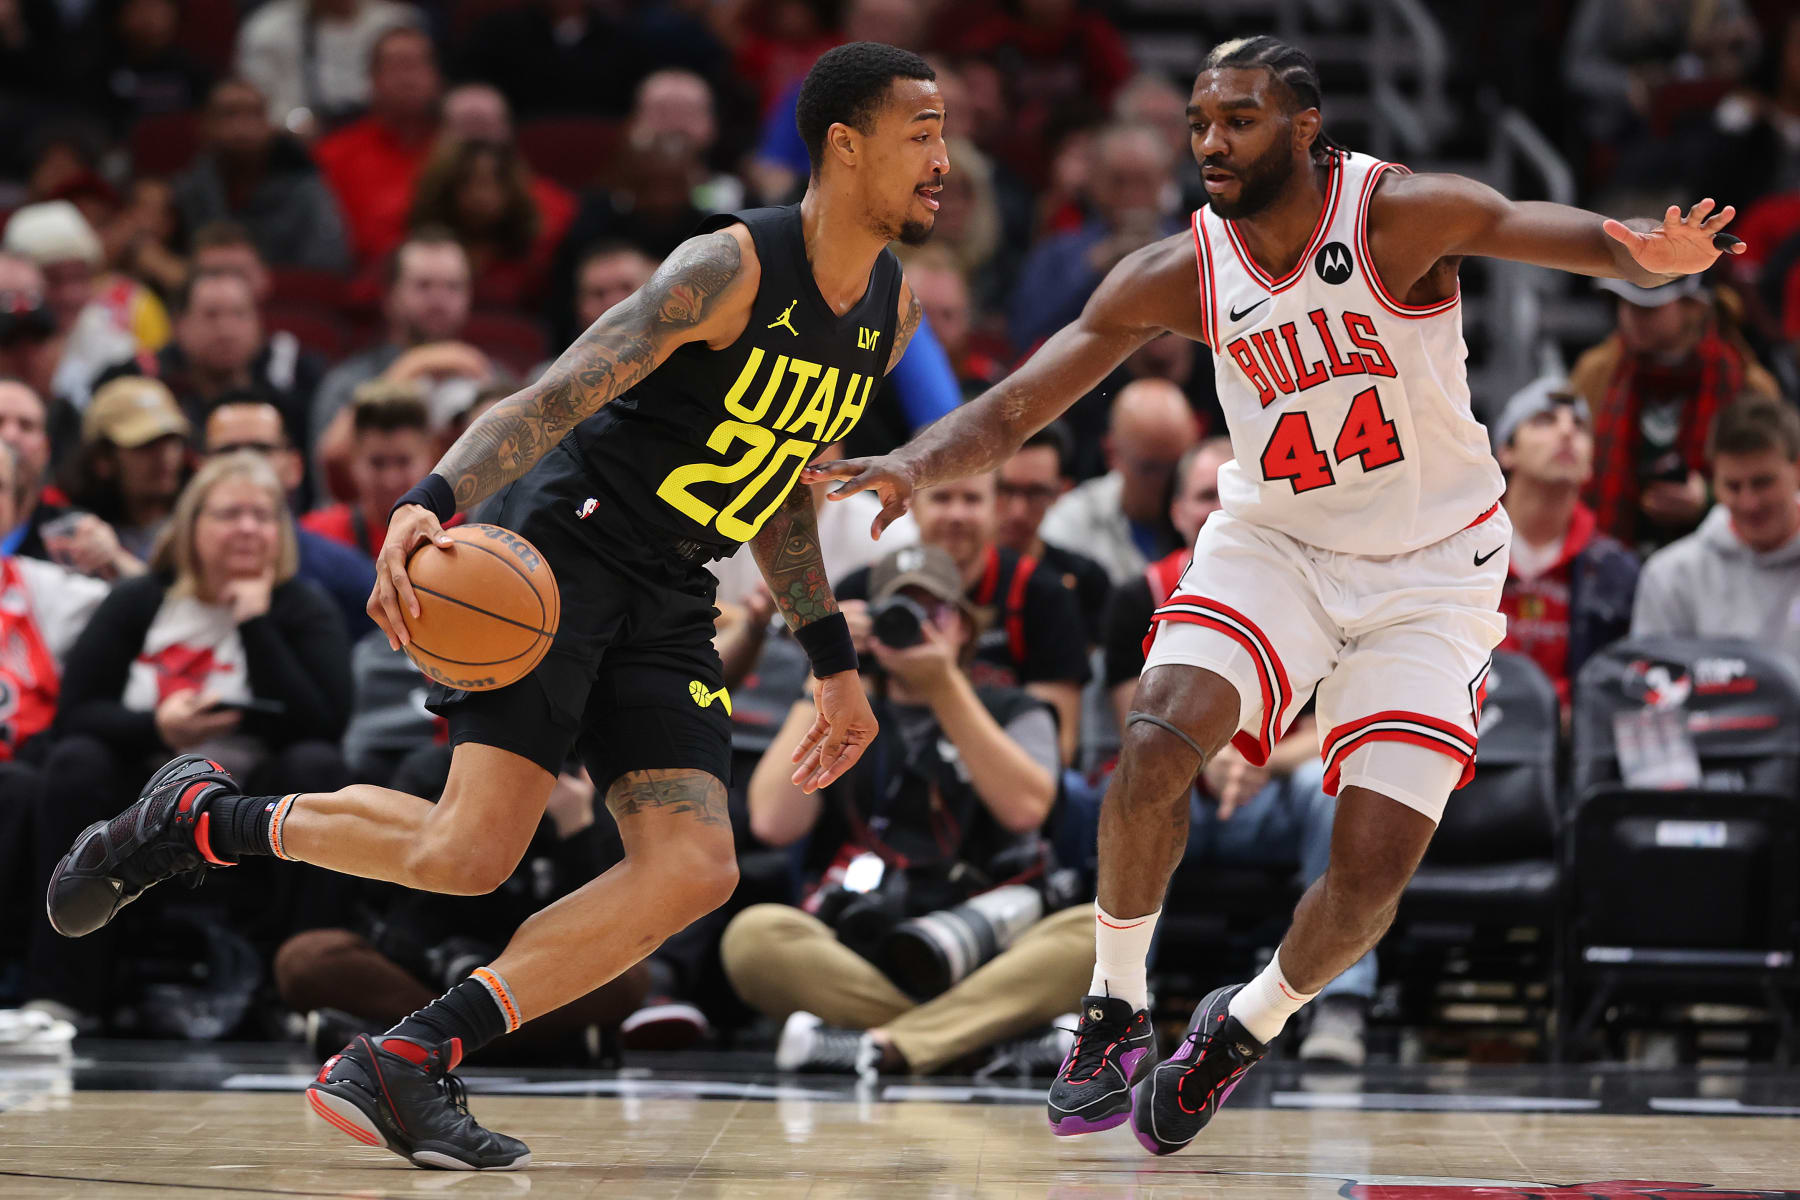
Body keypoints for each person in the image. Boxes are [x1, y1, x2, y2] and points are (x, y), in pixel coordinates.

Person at [808, 35, 1740, 1154]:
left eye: (1238, 120)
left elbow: (1547, 231)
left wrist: (1645, 256)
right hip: (1278, 543)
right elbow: (1018, 404)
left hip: (1433, 571)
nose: (1211, 141)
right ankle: (1113, 1008)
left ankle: (1245, 1025)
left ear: (1304, 128)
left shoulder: (1399, 218)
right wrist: (914, 463)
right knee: (1155, 737)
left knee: (1372, 869)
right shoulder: (1180, 269)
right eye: (1199, 122)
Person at [47, 41, 946, 1170]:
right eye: (921, 134)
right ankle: (199, 821)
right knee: (469, 852)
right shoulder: (729, 266)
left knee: (694, 866)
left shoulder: (893, 314)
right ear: (845, 146)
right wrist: (427, 501)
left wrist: (831, 661)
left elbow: (774, 489)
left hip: (673, 586)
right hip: (562, 553)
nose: (942, 161)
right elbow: (555, 394)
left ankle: (410, 1056)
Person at [722, 544, 1085, 1078]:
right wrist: (827, 672)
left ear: (964, 627)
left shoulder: (1015, 708)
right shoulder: (842, 713)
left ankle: (880, 1044)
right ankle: (981, 1041)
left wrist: (945, 686)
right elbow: (773, 823)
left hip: (991, 948)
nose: (914, 625)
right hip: (865, 949)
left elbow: (1026, 811)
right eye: (899, 611)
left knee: (1090, 935)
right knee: (753, 936)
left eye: (932, 612)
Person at [27, 452, 353, 1029]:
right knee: (75, 763)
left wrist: (254, 624)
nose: (248, 528)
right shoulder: (140, 600)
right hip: (141, 787)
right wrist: (157, 726)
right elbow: (77, 713)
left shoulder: (302, 607)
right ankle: (65, 995)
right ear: (190, 525)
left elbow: (325, 722)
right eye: (230, 514)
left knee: (319, 767)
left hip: (253, 797)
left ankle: (305, 994)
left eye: (263, 515)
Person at [835, 470, 1092, 763]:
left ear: (998, 508)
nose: (956, 514)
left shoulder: (1041, 594)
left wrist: (943, 683)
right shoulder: (862, 590)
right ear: (910, 506)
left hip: (993, 776)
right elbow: (821, 742)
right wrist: (833, 658)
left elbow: (1056, 752)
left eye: (972, 499)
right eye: (941, 498)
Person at [1573, 273, 1779, 556]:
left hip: (1715, 557)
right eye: (1622, 301)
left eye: (1648, 306)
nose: (1631, 316)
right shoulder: (1596, 373)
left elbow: (1776, 482)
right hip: (1609, 556)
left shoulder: (1747, 384)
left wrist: (1708, 498)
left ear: (1692, 306)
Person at [1492, 376, 1639, 716]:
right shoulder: (1458, 553)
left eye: (1580, 426)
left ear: (1590, 464)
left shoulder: (1618, 572)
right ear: (1506, 451)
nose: (1567, 432)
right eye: (1544, 420)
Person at [1631, 395, 1800, 663]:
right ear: (1714, 480)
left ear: (1797, 470)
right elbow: (1652, 679)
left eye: (1763, 483)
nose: (1749, 503)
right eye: (1733, 486)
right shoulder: (1671, 577)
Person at [309, 227, 471, 485]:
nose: (439, 299)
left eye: (453, 287)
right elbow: (328, 476)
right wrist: (410, 368)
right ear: (390, 296)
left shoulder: (490, 376)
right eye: (423, 286)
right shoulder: (347, 382)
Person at [203, 399, 376, 637]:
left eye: (260, 450)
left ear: (294, 467)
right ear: (201, 468)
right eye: (228, 451)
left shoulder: (347, 576)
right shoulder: (166, 572)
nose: (244, 462)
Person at [173, 77, 352, 273]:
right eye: (230, 114)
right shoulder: (187, 191)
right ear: (205, 125)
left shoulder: (306, 189)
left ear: (270, 124)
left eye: (254, 114)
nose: (242, 127)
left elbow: (328, 268)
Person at [1039, 378, 1199, 585]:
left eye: (1177, 465)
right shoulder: (1071, 524)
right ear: (1112, 454)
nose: (1167, 480)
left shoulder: (1213, 513)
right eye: (1150, 468)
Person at [313, 25, 444, 265]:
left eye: (416, 65)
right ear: (371, 79)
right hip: (361, 279)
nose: (407, 79)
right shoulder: (333, 154)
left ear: (436, 76)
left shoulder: (457, 150)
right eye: (395, 66)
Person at [995, 423, 1111, 643]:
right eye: (1005, 489)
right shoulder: (957, 576)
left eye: (1036, 492)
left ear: (1061, 492)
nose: (1018, 512)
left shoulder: (1086, 581)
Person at [56, 375, 190, 564]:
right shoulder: (70, 532)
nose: (165, 456)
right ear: (103, 459)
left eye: (172, 441)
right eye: (146, 444)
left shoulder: (200, 525)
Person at [235, 0, 422, 135]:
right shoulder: (267, 31)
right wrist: (292, 124)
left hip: (386, 136)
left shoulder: (397, 21)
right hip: (302, 148)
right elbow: (255, 108)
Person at [301, 381, 439, 560]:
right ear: (353, 460)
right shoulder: (316, 535)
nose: (391, 480)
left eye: (403, 462)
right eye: (377, 463)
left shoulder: (458, 533)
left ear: (430, 457)